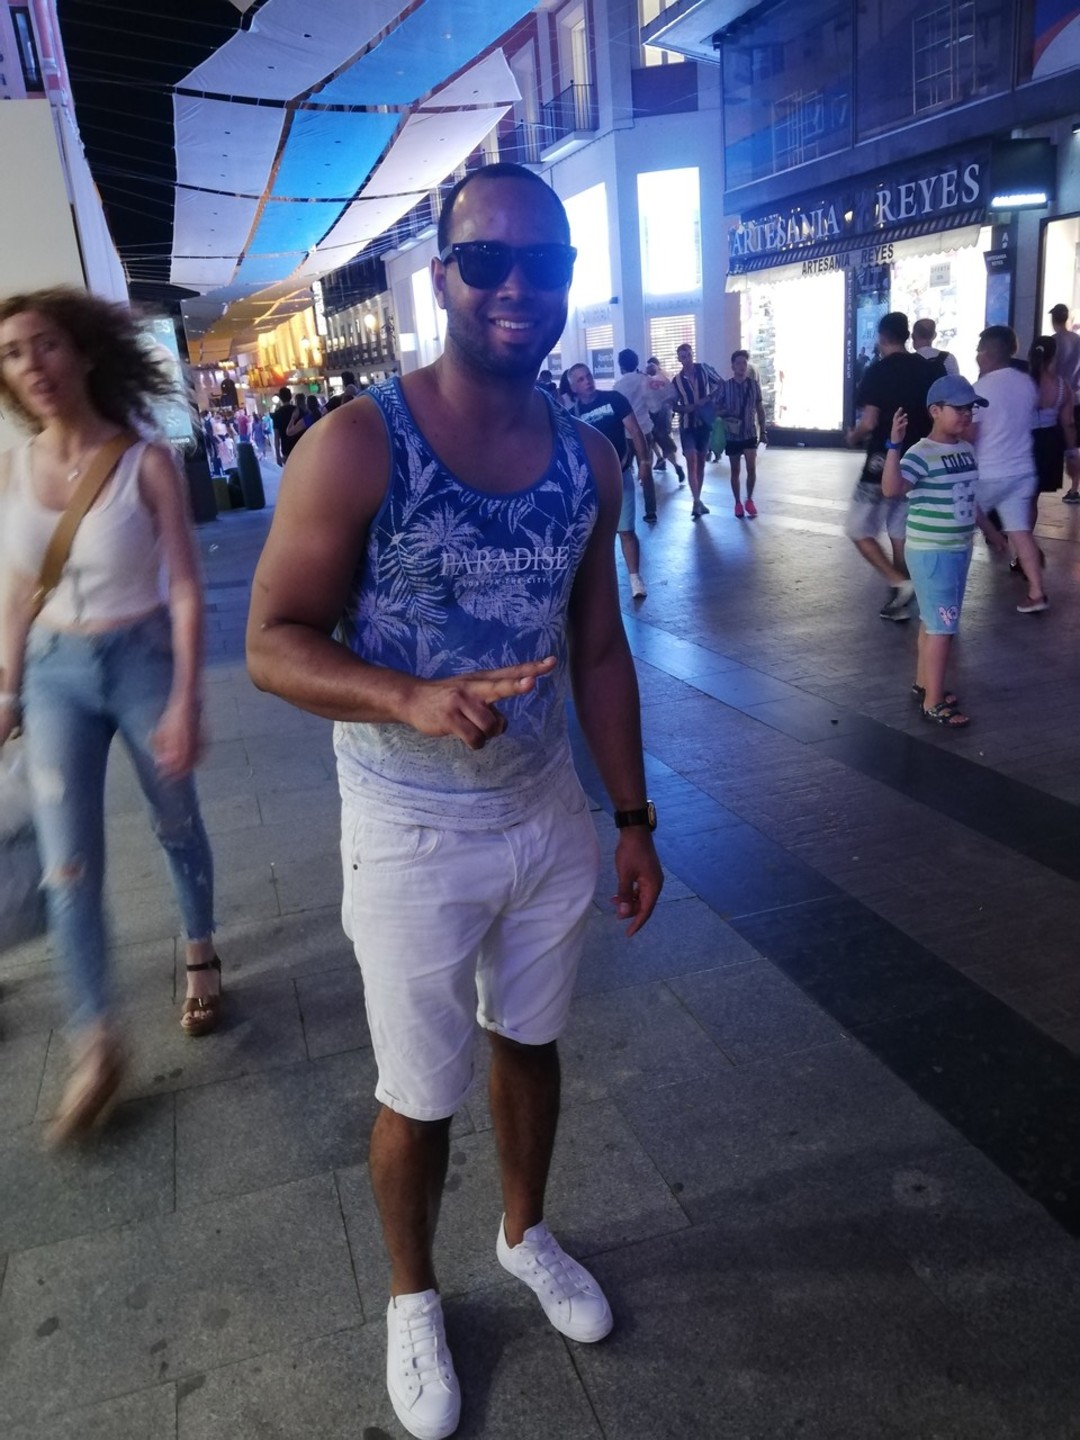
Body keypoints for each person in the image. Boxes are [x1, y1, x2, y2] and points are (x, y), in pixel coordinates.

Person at [246, 162, 662, 1440]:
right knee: (415, 1092)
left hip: (544, 813)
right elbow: (271, 640)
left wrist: (632, 818)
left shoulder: (589, 458)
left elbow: (600, 648)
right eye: (488, 262)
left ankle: (525, 1234)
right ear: (443, 278)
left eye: (545, 264)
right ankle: (412, 1298)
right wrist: (405, 696)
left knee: (530, 1044)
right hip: (409, 826)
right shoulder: (359, 442)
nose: (516, 287)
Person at [0, 287, 221, 1144]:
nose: (32, 365)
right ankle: (97, 1042)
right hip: (54, 675)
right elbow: (18, 589)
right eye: (13, 353)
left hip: (141, 661)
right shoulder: (14, 471)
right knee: (67, 868)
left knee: (175, 820)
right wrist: (9, 690)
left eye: (45, 344)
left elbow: (187, 590)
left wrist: (186, 699)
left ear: (85, 352)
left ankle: (199, 947)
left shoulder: (145, 462)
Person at [882, 376, 985, 729]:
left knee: (933, 621)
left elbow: (969, 498)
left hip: (958, 549)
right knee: (943, 627)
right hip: (932, 552)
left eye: (970, 408)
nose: (966, 415)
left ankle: (925, 683)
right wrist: (894, 445)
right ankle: (934, 702)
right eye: (959, 408)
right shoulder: (920, 453)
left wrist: (991, 533)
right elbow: (892, 489)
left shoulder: (965, 449)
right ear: (935, 411)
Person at [845, 312, 946, 620]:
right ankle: (902, 596)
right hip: (917, 461)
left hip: (882, 460)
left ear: (882, 337)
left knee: (858, 528)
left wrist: (853, 436)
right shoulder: (929, 369)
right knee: (900, 528)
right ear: (907, 336)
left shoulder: (878, 371)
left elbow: (869, 422)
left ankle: (898, 582)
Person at [972, 326, 1047, 614]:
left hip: (990, 472)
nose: (977, 356)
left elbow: (972, 433)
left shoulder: (980, 389)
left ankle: (942, 590)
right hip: (1022, 471)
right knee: (1021, 532)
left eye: (978, 351)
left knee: (958, 522)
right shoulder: (1026, 383)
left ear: (987, 353)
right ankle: (1036, 593)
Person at [568, 362, 652, 597]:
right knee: (594, 535)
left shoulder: (614, 399)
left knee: (626, 530)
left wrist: (644, 462)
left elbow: (635, 430)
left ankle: (635, 578)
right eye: (581, 379)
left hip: (620, 475)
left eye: (588, 376)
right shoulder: (573, 415)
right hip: (592, 484)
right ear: (574, 387)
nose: (587, 381)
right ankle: (599, 584)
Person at [671, 342, 721, 519]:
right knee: (691, 459)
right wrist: (686, 408)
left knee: (700, 461)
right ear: (679, 359)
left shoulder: (704, 370)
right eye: (683, 357)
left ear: (693, 354)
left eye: (689, 355)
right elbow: (672, 404)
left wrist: (709, 399)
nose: (687, 359)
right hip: (687, 425)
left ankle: (698, 500)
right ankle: (696, 500)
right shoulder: (676, 381)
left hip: (704, 423)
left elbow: (720, 384)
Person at [1029, 335, 1080, 506]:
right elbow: (1068, 423)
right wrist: (1072, 454)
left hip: (1022, 441)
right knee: (1034, 498)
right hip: (1049, 444)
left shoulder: (1022, 382)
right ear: (1054, 356)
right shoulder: (1062, 386)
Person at [716, 349, 767, 518]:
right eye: (738, 363)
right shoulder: (726, 386)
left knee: (751, 468)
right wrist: (725, 412)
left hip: (749, 432)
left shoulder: (753, 385)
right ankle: (737, 502)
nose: (742, 366)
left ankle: (749, 499)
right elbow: (716, 408)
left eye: (744, 363)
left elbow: (760, 408)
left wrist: (763, 430)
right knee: (735, 470)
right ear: (733, 366)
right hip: (732, 434)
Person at [613, 348, 658, 522]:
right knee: (646, 469)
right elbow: (654, 406)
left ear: (621, 365)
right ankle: (651, 511)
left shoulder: (618, 386)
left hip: (626, 434)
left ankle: (619, 511)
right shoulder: (645, 381)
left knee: (622, 472)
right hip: (645, 430)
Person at [643, 357, 684, 482]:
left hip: (654, 415)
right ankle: (672, 464)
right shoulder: (665, 378)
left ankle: (659, 463)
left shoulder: (647, 381)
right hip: (665, 414)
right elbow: (673, 395)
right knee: (663, 440)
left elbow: (645, 398)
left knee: (651, 441)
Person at [271, 386, 299, 465]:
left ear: (280, 398)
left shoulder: (277, 414)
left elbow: (276, 437)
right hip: (299, 447)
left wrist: (277, 455)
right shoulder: (297, 410)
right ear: (291, 397)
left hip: (286, 450)